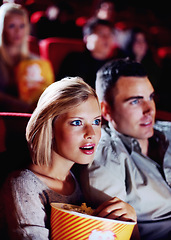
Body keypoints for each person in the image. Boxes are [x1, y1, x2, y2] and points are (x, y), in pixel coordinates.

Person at [0, 77, 137, 239]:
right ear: (49, 127)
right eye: (77, 122)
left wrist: (128, 222)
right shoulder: (22, 186)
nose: (91, 134)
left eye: (96, 121)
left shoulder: (80, 176)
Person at [79, 58, 171, 240]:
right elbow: (116, 234)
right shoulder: (105, 155)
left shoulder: (167, 131)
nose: (149, 109)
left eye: (150, 97)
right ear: (105, 110)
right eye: (135, 101)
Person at [0, 3, 54, 112]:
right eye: (11, 26)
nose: (18, 31)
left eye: (22, 26)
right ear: (2, 28)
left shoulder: (36, 61)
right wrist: (25, 107)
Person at [57, 17, 125, 89]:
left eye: (110, 34)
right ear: (86, 38)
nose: (106, 38)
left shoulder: (117, 65)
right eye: (101, 33)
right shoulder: (74, 59)